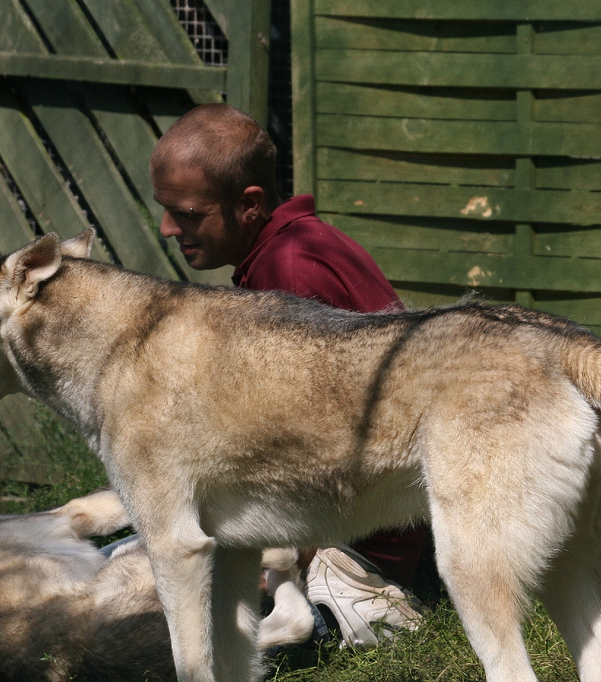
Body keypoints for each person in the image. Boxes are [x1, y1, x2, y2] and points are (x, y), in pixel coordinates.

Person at [150, 103, 431, 647]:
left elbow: (326, 442)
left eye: (186, 213)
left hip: (367, 536)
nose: (167, 229)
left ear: (249, 205)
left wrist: (278, 553)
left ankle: (372, 603)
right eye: (166, 210)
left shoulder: (290, 271)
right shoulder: (297, 246)